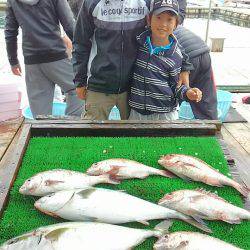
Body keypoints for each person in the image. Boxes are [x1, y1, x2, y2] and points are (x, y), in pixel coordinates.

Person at [72, 0, 193, 120]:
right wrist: (80, 80)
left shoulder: (146, 2)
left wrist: (185, 65)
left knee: (133, 137)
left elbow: (165, 33)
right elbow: (80, 42)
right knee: (91, 134)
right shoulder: (92, 3)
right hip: (98, 84)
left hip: (133, 89)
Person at [5, 0, 84, 119]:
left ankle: (43, 133)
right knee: (78, 90)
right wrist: (83, 50)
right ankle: (71, 127)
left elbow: (10, 31)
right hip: (57, 56)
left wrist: (13, 61)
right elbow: (69, 24)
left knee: (40, 110)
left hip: (31, 61)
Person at [128, 0, 202, 120]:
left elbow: (176, 86)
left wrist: (188, 93)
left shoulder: (176, 55)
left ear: (176, 25)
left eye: (169, 20)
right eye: (158, 17)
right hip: (136, 112)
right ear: (148, 20)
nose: (163, 24)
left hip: (165, 114)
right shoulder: (138, 43)